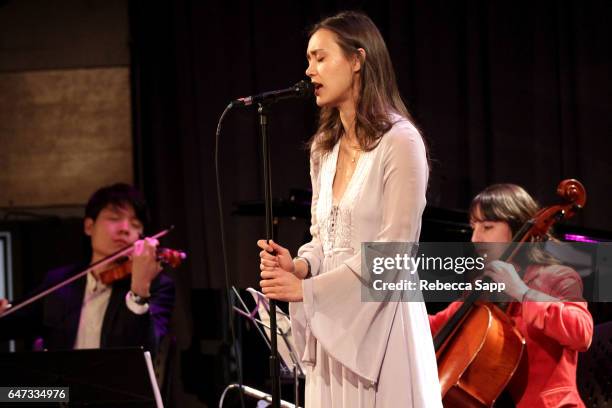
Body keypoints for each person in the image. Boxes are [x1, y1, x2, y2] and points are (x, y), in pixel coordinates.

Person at [257, 11, 442, 407]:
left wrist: (307, 290)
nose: (309, 70)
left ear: (357, 60)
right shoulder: (324, 150)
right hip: (334, 330)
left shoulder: (400, 142)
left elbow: (394, 253)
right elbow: (322, 239)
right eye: (308, 59)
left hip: (383, 329)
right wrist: (300, 266)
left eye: (320, 58)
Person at [429, 183, 593, 407]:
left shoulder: (558, 277)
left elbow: (582, 332)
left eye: (487, 227)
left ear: (516, 228)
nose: (475, 239)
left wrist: (522, 292)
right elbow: (434, 327)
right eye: (473, 227)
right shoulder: (483, 286)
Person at [0, 183, 175, 355]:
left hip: (117, 383)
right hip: (62, 384)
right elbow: (13, 325)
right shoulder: (60, 281)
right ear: (89, 226)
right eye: (114, 218)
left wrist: (139, 289)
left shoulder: (156, 286)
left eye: (135, 224)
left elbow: (146, 350)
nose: (125, 229)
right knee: (14, 386)